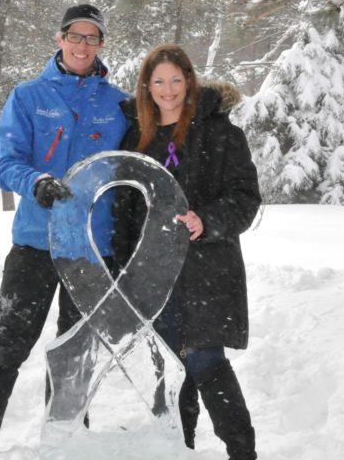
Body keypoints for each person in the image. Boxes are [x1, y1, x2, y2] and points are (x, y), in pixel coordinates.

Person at [0, 4, 129, 460]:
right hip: (35, 245)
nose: (83, 45)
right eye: (75, 36)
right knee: (3, 349)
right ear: (59, 39)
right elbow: (4, 164)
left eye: (92, 37)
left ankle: (68, 446)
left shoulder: (118, 103)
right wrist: (35, 181)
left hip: (91, 250)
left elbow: (135, 167)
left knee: (75, 355)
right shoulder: (28, 96)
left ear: (101, 45)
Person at [113, 44, 261, 460]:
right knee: (169, 368)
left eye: (176, 80)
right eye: (158, 81)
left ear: (190, 81)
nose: (168, 89)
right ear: (147, 85)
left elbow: (245, 198)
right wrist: (126, 268)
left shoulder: (221, 132)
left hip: (207, 268)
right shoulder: (135, 135)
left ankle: (242, 451)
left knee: (205, 359)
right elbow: (125, 209)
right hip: (155, 270)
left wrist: (207, 220)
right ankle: (180, 449)